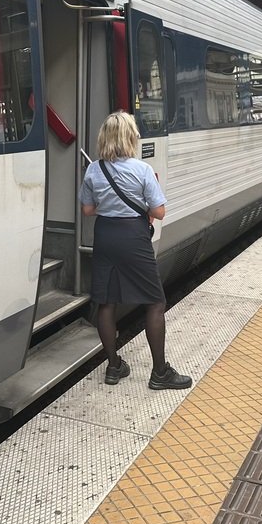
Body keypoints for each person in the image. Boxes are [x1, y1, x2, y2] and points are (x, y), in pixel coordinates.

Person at [78, 111, 192, 391]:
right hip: (133, 237)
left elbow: (87, 209)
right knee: (154, 303)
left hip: (105, 236)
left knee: (107, 303)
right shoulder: (141, 170)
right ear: (131, 138)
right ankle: (160, 373)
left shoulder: (94, 170)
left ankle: (114, 366)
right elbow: (160, 212)